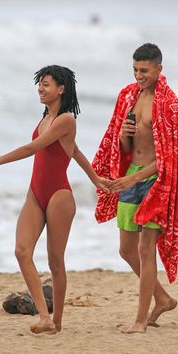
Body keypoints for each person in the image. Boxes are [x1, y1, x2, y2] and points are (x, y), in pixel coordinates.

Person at [0, 65, 109, 335]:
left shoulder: (67, 119)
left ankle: (57, 323)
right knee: (22, 251)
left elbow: (33, 148)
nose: (41, 89)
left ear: (61, 88)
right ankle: (45, 317)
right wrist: (95, 179)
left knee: (55, 262)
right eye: (39, 84)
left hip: (59, 195)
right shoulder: (46, 117)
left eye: (46, 84)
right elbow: (75, 150)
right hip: (36, 193)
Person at [92, 43, 178, 333]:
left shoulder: (169, 104)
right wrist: (123, 137)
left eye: (144, 70)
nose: (139, 76)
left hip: (155, 183)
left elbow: (169, 158)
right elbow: (125, 147)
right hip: (131, 175)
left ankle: (140, 321)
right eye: (135, 70)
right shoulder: (127, 96)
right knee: (126, 249)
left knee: (145, 250)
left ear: (158, 69)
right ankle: (162, 298)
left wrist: (133, 179)